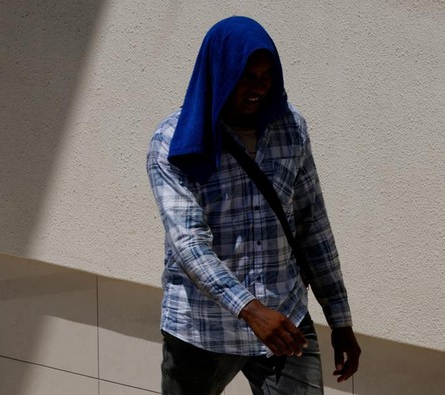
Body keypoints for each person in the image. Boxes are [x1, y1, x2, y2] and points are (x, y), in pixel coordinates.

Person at [146, 16, 361, 395]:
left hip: (285, 318)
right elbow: (189, 244)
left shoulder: (290, 127)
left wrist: (340, 320)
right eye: (246, 76)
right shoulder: (172, 143)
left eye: (266, 75)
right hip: (203, 330)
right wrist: (251, 310)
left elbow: (313, 226)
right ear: (219, 73)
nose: (257, 88)